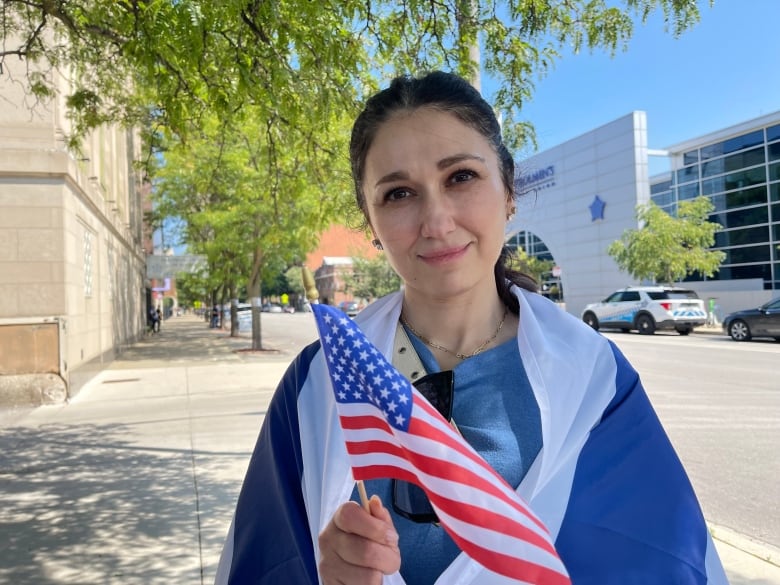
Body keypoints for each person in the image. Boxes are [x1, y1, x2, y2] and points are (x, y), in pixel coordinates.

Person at [215, 71, 727, 584]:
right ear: (370, 222)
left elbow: (662, 557)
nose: (436, 221)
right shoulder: (322, 380)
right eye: (398, 193)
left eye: (460, 176)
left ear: (508, 190)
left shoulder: (591, 377)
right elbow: (267, 563)